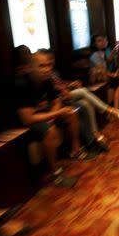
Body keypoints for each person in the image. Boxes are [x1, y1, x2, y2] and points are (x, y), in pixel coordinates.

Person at [14, 50, 82, 187]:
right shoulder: (21, 84)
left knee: (71, 113)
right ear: (31, 66)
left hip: (43, 114)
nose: (46, 69)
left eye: (48, 65)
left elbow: (56, 101)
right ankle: (55, 174)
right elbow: (27, 119)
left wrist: (53, 115)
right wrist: (53, 117)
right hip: (23, 124)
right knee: (49, 130)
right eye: (41, 66)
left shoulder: (47, 80)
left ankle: (76, 151)